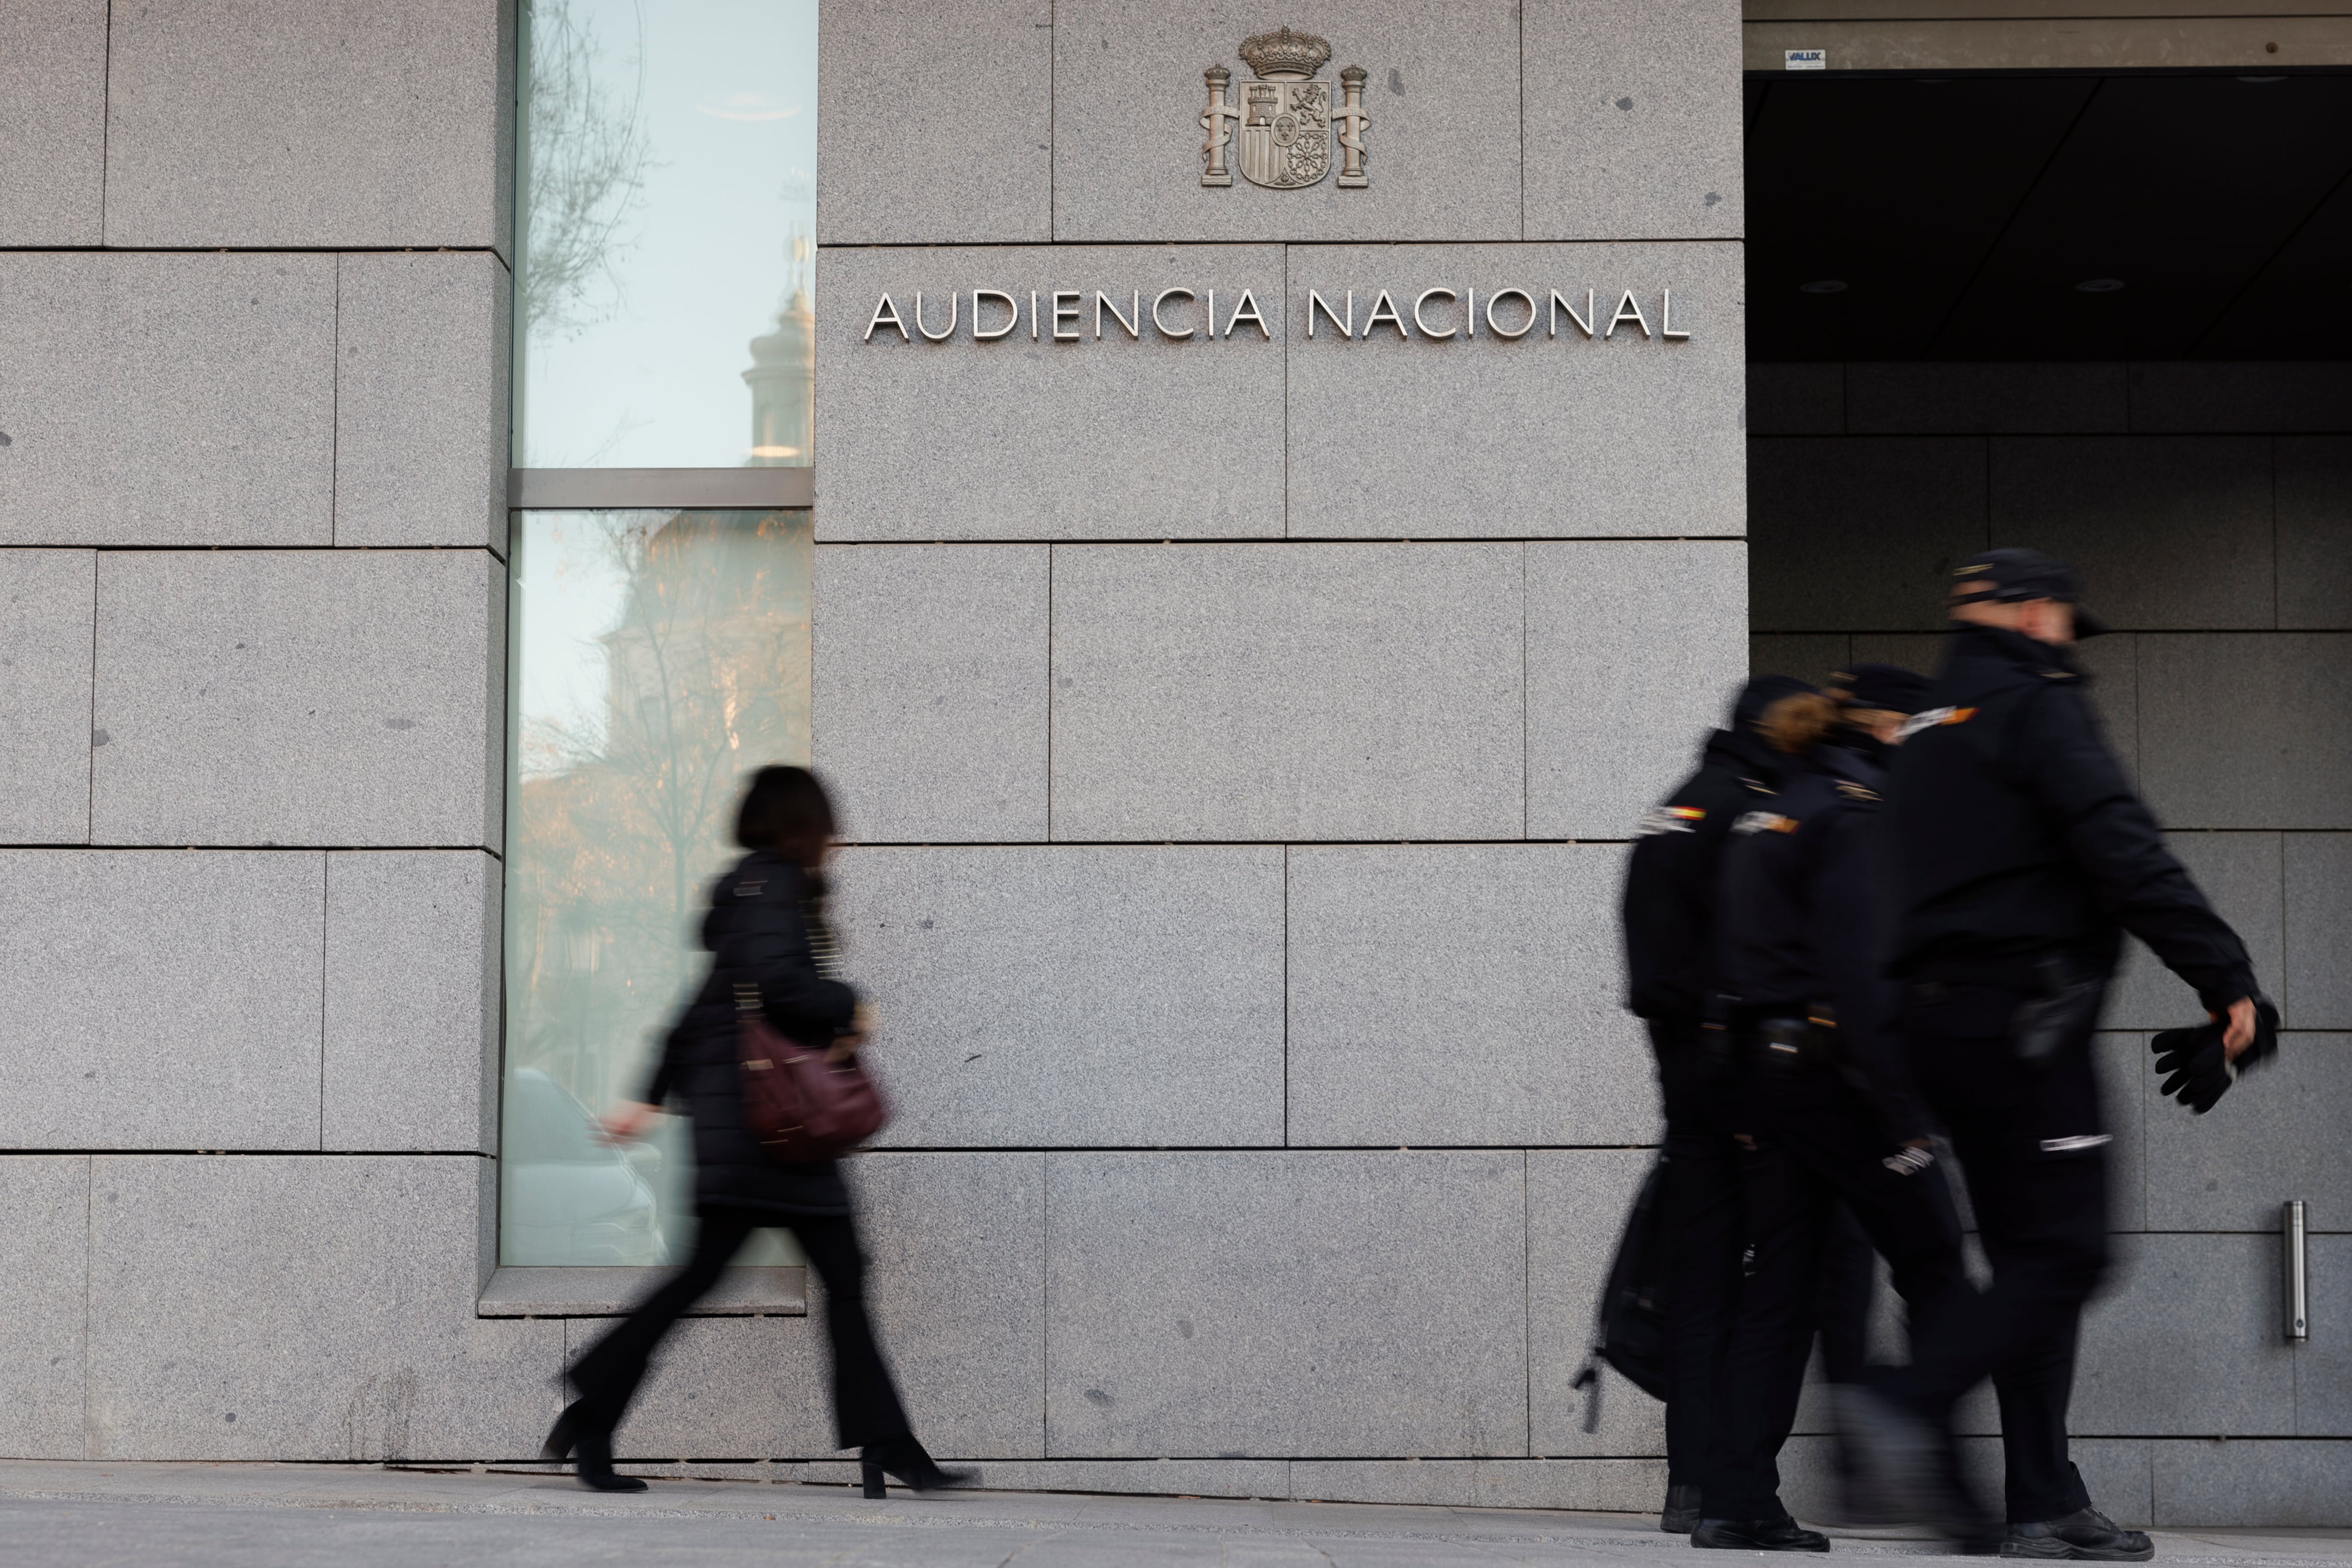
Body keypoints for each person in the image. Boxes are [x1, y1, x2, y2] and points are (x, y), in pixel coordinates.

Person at [1846, 550, 2278, 1559]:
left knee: (2026, 1261)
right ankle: (1905, 1398)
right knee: (2069, 1250)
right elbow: (2121, 845)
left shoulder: (1919, 729)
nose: (2062, 636)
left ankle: (2041, 1490)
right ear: (2035, 612)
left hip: (1933, 1027)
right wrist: (2225, 979)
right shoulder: (2036, 705)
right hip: (2024, 1026)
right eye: (2059, 617)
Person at [542, 765, 970, 1499]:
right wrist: (849, 1003)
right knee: (824, 1279)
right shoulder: (770, 886)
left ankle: (594, 1411)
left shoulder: (749, 891)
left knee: (773, 1276)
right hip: (771, 1135)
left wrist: (647, 1097)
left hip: (752, 1134)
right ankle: (888, 1446)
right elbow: (779, 985)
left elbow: (699, 1009)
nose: (835, 841)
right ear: (801, 824)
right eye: (827, 825)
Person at [1695, 676, 1984, 1553]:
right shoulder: (1855, 814)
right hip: (1842, 1085)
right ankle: (1942, 1475)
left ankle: (1737, 1497)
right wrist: (1903, 1110)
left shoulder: (1772, 808)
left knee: (1778, 1291)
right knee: (1936, 1263)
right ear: (1887, 729)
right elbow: (1861, 978)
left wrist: (1740, 1099)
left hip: (1773, 1079)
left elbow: (1729, 968)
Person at [1622, 674, 1813, 1534]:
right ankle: (1727, 1486)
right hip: (1728, 1074)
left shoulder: (1679, 806)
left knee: (1699, 1281)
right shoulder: (1745, 811)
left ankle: (1691, 1483)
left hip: (1680, 1066)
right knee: (1759, 1281)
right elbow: (1742, 951)